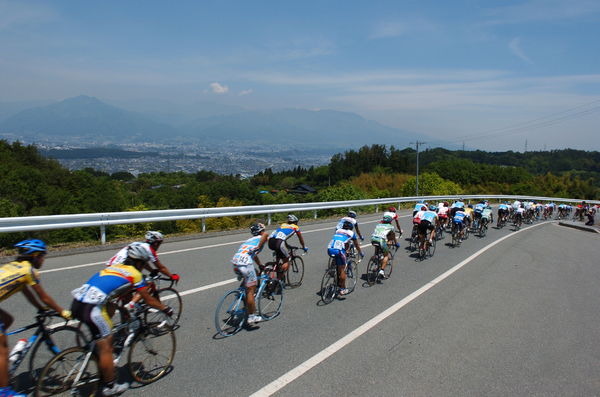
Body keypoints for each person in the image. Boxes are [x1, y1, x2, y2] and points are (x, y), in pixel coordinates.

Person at [71, 244, 173, 396]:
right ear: (139, 262)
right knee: (107, 346)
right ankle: (110, 387)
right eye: (144, 264)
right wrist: (165, 308)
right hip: (91, 309)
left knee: (103, 333)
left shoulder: (113, 268)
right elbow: (149, 300)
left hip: (77, 303)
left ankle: (96, 356)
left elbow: (112, 295)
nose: (144, 267)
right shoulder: (134, 274)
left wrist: (124, 308)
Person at [0, 240, 72, 397]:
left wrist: (41, 308)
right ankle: (4, 392)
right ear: (35, 256)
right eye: (43, 257)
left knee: (7, 320)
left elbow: (25, 291)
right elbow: (44, 296)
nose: (43, 260)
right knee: (2, 350)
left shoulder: (13, 266)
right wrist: (62, 311)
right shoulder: (29, 271)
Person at [231, 223, 269, 325]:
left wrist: (260, 264)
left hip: (235, 262)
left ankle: (243, 290)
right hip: (245, 263)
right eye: (264, 230)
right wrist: (259, 246)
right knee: (251, 290)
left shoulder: (249, 241)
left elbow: (253, 254)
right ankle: (252, 317)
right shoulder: (262, 237)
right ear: (261, 231)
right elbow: (265, 235)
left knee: (255, 273)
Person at [106, 231, 179, 282]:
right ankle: (131, 304)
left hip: (112, 265)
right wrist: (171, 276)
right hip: (121, 268)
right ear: (156, 243)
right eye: (160, 243)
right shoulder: (149, 250)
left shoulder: (137, 244)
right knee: (143, 284)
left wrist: (152, 271)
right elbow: (161, 268)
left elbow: (141, 262)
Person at [327, 221, 364, 295]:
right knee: (342, 270)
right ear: (351, 228)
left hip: (329, 249)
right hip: (339, 251)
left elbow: (341, 241)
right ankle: (342, 289)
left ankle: (332, 269)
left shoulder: (338, 230)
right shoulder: (351, 233)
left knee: (337, 260)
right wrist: (360, 252)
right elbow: (356, 244)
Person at [268, 214, 308, 280]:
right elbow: (300, 239)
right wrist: (304, 246)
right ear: (295, 222)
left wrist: (288, 246)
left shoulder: (283, 225)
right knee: (286, 260)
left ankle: (275, 266)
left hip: (270, 241)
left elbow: (282, 238)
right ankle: (279, 279)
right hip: (279, 243)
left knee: (279, 255)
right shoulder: (295, 227)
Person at [370, 215, 398, 279]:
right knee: (386, 255)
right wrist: (396, 243)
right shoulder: (391, 227)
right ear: (390, 221)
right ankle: (382, 270)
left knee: (377, 251)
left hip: (373, 239)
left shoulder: (378, 225)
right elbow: (392, 237)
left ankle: (376, 260)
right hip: (381, 241)